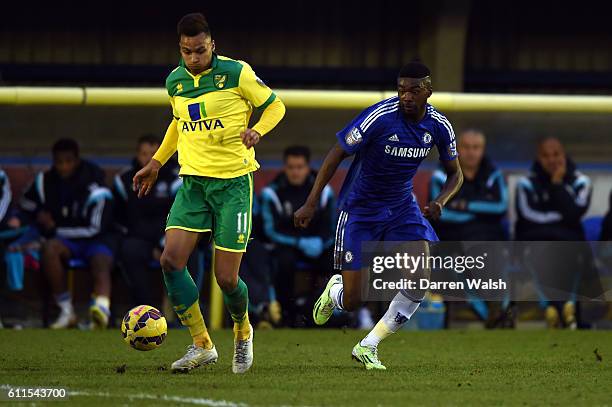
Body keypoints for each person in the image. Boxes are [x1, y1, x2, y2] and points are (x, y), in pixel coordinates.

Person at [132, 13, 285, 373]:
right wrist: (156, 161)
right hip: (194, 184)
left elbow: (275, 105)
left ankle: (243, 330)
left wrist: (258, 131)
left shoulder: (236, 73)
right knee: (170, 261)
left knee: (227, 278)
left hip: (233, 184)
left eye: (200, 50)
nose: (193, 58)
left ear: (212, 45)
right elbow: (178, 122)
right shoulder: (175, 81)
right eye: (187, 52)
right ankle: (202, 344)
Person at [295, 61, 463, 370]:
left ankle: (369, 345)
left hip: (401, 207)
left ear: (428, 91)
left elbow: (456, 174)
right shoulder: (380, 117)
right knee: (354, 301)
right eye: (401, 90)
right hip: (360, 209)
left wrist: (440, 201)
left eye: (413, 90)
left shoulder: (439, 126)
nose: (406, 96)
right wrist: (311, 201)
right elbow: (337, 153)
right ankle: (336, 292)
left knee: (418, 279)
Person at [19, 138, 114, 329]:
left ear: (76, 160)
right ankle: (66, 311)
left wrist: (54, 229)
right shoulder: (45, 181)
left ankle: (101, 311)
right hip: (66, 242)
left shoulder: (95, 183)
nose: (63, 167)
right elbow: (25, 203)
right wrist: (39, 215)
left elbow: (95, 228)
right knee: (49, 248)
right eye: (58, 162)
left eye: (68, 161)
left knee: (101, 261)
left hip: (96, 239)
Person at [429, 129, 512, 327]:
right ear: (457, 149)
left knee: (492, 255)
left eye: (476, 148)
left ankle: (498, 311)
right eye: (466, 147)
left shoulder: (494, 175)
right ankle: (491, 313)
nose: (471, 152)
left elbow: (501, 206)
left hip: (489, 237)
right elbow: (440, 213)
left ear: (483, 150)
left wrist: (466, 205)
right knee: (462, 260)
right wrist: (480, 212)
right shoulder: (441, 176)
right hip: (453, 238)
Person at [515, 137, 592, 328]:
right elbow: (527, 216)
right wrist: (561, 219)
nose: (552, 160)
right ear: (538, 158)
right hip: (537, 242)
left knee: (571, 254)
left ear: (563, 155)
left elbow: (575, 213)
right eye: (546, 155)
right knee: (543, 253)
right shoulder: (525, 183)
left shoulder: (581, 181)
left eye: (556, 154)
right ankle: (564, 310)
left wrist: (557, 184)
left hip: (568, 244)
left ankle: (557, 309)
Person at [261, 146, 336, 326]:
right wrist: (298, 242)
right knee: (283, 261)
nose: (295, 172)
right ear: (284, 167)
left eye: (300, 167)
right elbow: (269, 231)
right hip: (288, 247)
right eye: (291, 167)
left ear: (308, 167)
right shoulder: (272, 192)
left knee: (338, 258)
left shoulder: (323, 192)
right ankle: (286, 314)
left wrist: (321, 242)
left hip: (319, 245)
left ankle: (332, 314)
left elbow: (332, 227)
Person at [113, 134, 180, 308]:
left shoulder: (177, 179)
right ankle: (146, 310)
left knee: (188, 251)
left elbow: (180, 216)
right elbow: (118, 218)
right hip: (138, 237)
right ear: (137, 154)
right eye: (144, 153)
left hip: (168, 238)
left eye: (154, 153)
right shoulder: (125, 179)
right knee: (129, 250)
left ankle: (182, 311)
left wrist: (161, 244)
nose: (148, 158)